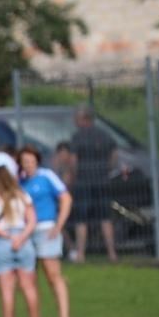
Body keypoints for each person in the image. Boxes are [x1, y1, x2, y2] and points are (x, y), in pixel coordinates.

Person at [19, 146, 73, 317]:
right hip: (26, 231)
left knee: (52, 275)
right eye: (24, 161)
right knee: (28, 278)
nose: (27, 165)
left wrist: (59, 224)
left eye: (30, 161)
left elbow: (65, 198)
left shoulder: (46, 176)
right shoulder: (20, 181)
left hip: (45, 229)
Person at [0, 167, 41, 317]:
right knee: (28, 286)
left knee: (6, 288)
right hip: (23, 242)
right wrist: (20, 238)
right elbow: (32, 221)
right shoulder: (23, 196)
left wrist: (9, 237)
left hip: (2, 243)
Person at [68, 104, 119, 263]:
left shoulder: (77, 137)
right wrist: (106, 169)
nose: (75, 122)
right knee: (105, 217)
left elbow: (73, 161)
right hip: (103, 181)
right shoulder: (105, 135)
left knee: (81, 219)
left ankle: (81, 254)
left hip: (84, 181)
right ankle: (112, 254)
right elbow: (115, 155)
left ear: (83, 119)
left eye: (76, 119)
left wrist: (75, 175)